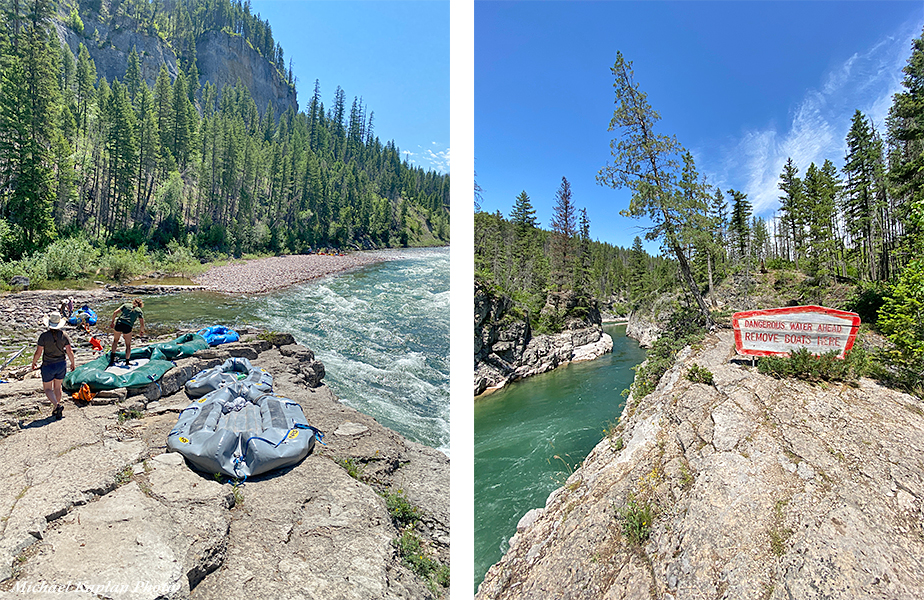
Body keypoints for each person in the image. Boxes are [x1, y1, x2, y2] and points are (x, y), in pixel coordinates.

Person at [31, 312, 76, 420]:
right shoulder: (64, 335)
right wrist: (73, 363)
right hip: (61, 364)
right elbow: (69, 351)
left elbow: (38, 352)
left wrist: (34, 362)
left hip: (48, 365)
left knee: (47, 389)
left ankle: (57, 405)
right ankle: (57, 407)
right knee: (57, 387)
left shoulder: (44, 336)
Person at [109, 298, 145, 367]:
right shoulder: (139, 311)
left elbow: (115, 312)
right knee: (128, 345)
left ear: (133, 302)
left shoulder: (126, 305)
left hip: (119, 324)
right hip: (127, 326)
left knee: (115, 341)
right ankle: (127, 362)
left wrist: (112, 322)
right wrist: (141, 331)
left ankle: (112, 360)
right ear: (140, 305)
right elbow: (142, 323)